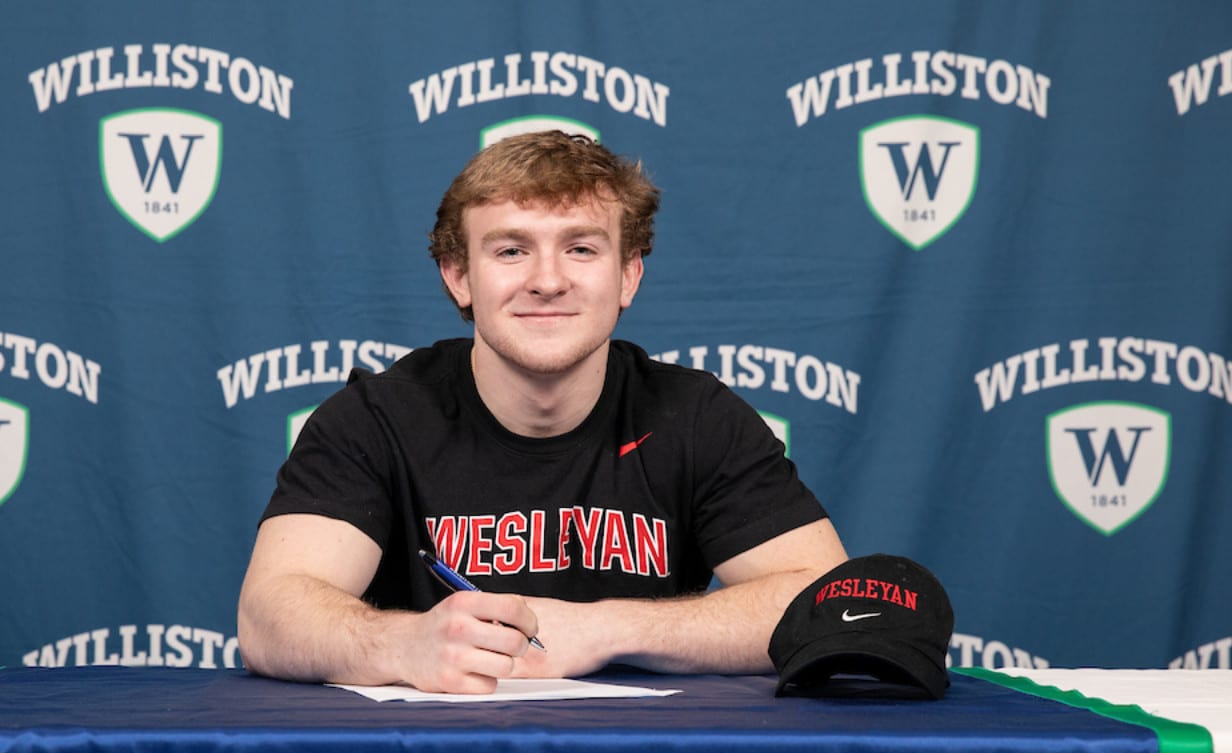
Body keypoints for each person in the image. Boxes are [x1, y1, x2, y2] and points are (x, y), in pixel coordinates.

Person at [237, 130, 846, 693]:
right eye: (510, 251)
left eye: (581, 248)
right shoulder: (375, 417)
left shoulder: (696, 415)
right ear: (459, 278)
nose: (547, 280)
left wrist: (603, 630)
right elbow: (269, 614)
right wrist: (402, 643)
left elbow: (828, 604)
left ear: (628, 275)